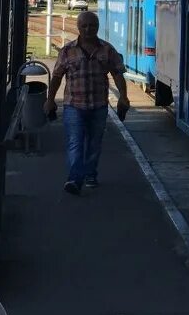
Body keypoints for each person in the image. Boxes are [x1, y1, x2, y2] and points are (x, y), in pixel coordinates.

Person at [44, 10, 130, 194]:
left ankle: (90, 173)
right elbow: (57, 77)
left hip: (99, 105)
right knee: (75, 142)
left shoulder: (107, 49)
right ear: (78, 27)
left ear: (98, 27)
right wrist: (50, 100)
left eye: (92, 25)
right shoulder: (68, 50)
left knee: (94, 142)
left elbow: (117, 74)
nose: (88, 29)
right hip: (73, 105)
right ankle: (75, 179)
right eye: (84, 26)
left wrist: (123, 96)